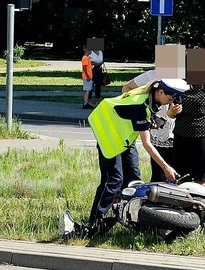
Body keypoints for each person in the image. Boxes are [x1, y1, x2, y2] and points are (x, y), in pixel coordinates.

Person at [62, 79, 188, 239]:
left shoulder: (152, 98)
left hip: (124, 138)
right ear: (161, 92)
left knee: (133, 182)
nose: (168, 105)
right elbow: (147, 144)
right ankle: (92, 228)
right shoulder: (140, 104)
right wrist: (166, 167)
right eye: (169, 100)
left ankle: (130, 222)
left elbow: (141, 120)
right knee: (114, 180)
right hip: (109, 135)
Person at [171, 82, 205, 184]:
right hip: (180, 137)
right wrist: (173, 111)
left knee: (201, 180)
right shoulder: (180, 83)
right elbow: (171, 114)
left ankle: (201, 200)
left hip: (201, 138)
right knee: (181, 179)